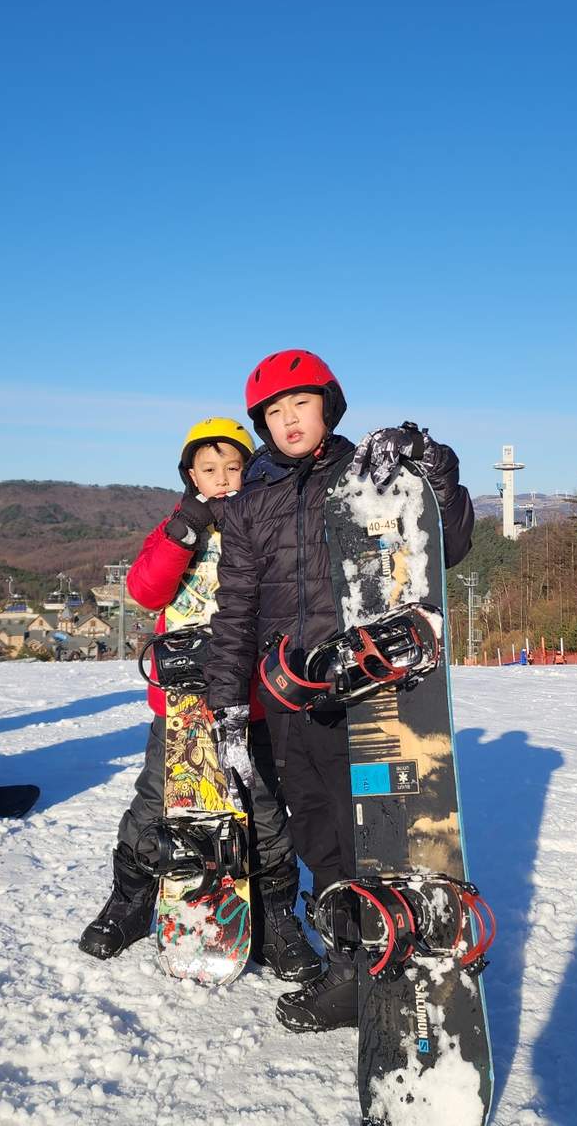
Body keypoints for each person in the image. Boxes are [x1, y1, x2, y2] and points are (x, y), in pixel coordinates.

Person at [206, 349, 475, 1032]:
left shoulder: (373, 475)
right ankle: (350, 968)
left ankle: (409, 950)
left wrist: (431, 462)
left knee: (383, 835)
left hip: (372, 689)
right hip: (295, 697)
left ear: (328, 404)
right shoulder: (246, 505)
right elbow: (233, 611)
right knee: (319, 838)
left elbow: (448, 544)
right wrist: (228, 707)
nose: (287, 419)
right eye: (272, 410)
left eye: (299, 402)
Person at [78, 417, 319, 985]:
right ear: (190, 475)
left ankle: (276, 916)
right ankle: (130, 899)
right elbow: (144, 591)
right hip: (181, 701)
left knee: (260, 804)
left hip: (251, 700)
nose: (222, 480)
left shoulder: (266, 523)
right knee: (158, 798)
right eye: (208, 470)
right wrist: (186, 528)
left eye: (233, 468)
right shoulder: (175, 528)